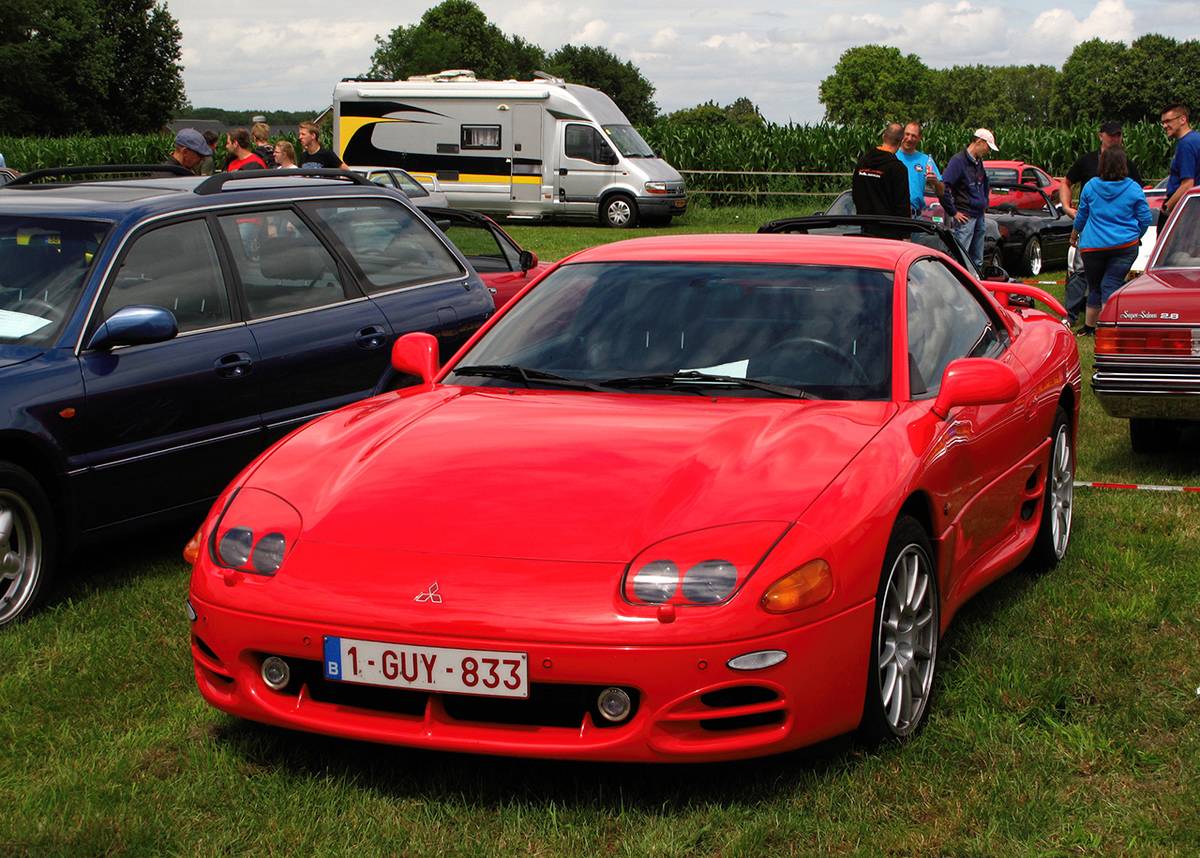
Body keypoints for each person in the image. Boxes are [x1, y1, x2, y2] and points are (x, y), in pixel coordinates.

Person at [1058, 121, 1144, 327]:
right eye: (1111, 135)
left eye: (1118, 135)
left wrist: (1075, 232)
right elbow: (1066, 182)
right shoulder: (1087, 162)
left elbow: (1141, 202)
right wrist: (1067, 206)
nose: (1115, 138)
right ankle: (1075, 316)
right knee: (1086, 277)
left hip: (1095, 241)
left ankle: (1096, 325)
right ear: (1101, 136)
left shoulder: (1098, 184)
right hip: (1111, 239)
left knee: (1100, 283)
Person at [1072, 146, 1152, 336]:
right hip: (1125, 246)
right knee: (1111, 283)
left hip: (1092, 246)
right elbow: (1146, 218)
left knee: (1095, 286)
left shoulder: (1091, 186)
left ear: (1102, 164)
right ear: (1124, 165)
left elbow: (1082, 215)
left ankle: (1090, 327)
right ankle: (1108, 327)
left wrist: (1074, 235)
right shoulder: (1133, 187)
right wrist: (1136, 236)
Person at [941, 128, 997, 270]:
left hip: (978, 215)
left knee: (977, 259)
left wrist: (985, 202)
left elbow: (984, 182)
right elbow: (944, 186)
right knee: (961, 258)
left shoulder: (978, 162)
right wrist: (953, 212)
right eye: (987, 147)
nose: (988, 151)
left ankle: (975, 285)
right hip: (965, 216)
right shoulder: (958, 161)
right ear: (979, 142)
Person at [851, 122, 908, 218]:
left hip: (863, 224)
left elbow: (855, 194)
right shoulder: (898, 169)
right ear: (901, 141)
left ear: (883, 136)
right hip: (888, 228)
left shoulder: (862, 162)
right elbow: (902, 207)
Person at [1160, 103, 1199, 228]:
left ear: (1183, 119)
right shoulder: (1196, 139)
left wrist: (1167, 207)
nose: (1165, 126)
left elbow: (1187, 184)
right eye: (1163, 122)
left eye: (1168, 121)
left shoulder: (1186, 144)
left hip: (1185, 207)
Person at [895, 122, 944, 216]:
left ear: (919, 138)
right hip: (894, 214)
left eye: (913, 136)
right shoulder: (892, 156)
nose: (909, 139)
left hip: (915, 215)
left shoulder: (925, 160)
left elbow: (941, 192)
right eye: (907, 134)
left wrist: (936, 182)